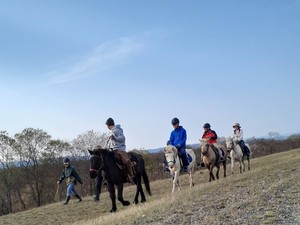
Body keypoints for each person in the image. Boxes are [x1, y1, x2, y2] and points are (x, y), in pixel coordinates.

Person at [105, 117, 135, 184]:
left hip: (120, 149)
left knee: (126, 161)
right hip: (113, 150)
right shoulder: (112, 131)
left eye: (107, 125)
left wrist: (114, 138)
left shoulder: (117, 130)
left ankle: (130, 175)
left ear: (108, 125)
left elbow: (122, 138)